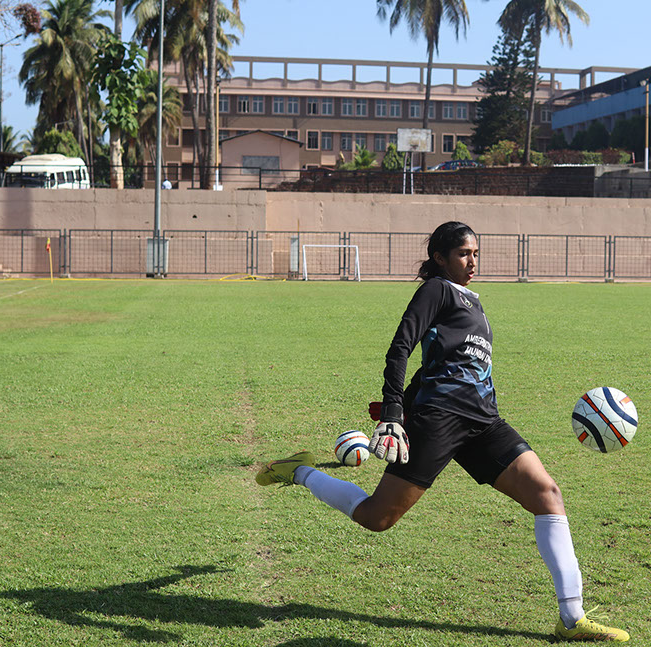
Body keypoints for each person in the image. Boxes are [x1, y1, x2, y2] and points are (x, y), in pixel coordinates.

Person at [256, 221, 630, 642]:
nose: (472, 262)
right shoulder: (437, 290)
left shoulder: (474, 301)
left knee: (548, 495)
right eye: (463, 254)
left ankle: (572, 620)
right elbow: (401, 347)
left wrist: (405, 399)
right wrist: (394, 411)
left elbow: (444, 362)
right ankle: (300, 470)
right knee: (378, 518)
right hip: (439, 419)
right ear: (440, 258)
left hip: (484, 421)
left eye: (476, 254)